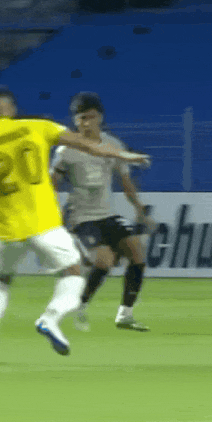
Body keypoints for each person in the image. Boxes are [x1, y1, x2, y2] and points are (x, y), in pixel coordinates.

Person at [0, 85, 150, 364]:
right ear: (11, 109)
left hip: (7, 230)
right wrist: (124, 155)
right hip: (45, 225)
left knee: (1, 280)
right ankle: (51, 318)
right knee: (73, 273)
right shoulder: (38, 127)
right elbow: (87, 145)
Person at [50, 92, 154, 332]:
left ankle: (125, 315)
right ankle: (80, 304)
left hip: (107, 215)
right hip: (81, 217)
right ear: (75, 121)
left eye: (91, 117)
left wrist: (140, 210)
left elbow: (126, 182)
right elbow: (52, 184)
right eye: (81, 118)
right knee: (104, 261)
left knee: (137, 253)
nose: (86, 123)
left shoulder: (112, 145)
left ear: (100, 117)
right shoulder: (66, 151)